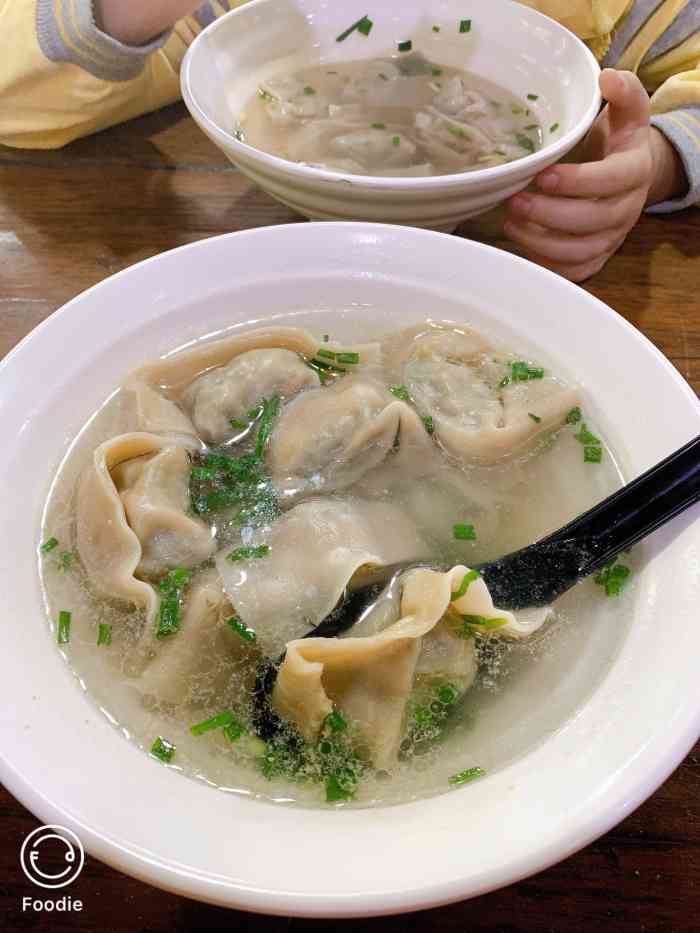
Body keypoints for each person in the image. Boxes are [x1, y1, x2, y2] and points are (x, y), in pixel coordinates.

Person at [0, 1, 698, 281]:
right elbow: (20, 103)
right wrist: (125, 12)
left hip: (517, 277)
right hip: (263, 270)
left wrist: (661, 160)